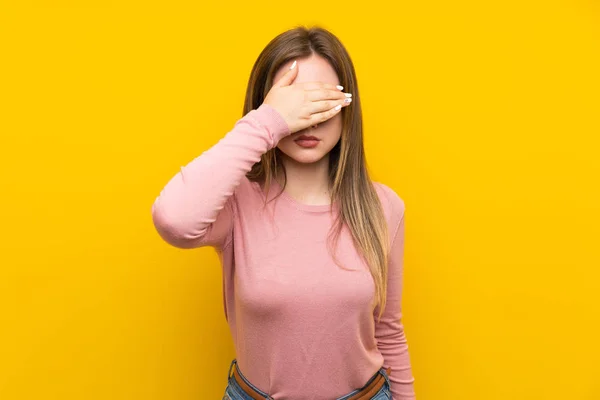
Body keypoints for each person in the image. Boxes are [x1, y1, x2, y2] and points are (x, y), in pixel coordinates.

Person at [151, 25, 416, 400]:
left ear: (347, 107)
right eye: (295, 103)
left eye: (322, 100)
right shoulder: (236, 205)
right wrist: (267, 123)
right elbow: (173, 220)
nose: (310, 119)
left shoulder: (384, 207)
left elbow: (389, 331)